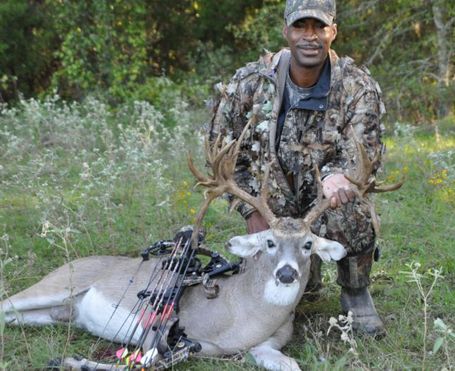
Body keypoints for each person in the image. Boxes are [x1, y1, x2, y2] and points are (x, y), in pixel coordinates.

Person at [208, 0, 386, 336]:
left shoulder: (356, 86)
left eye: (319, 27)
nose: (310, 37)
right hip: (273, 200)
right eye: (300, 27)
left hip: (326, 199)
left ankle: (355, 290)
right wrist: (250, 211)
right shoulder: (248, 83)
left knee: (351, 206)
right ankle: (305, 275)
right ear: (286, 31)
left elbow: (367, 150)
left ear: (333, 32)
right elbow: (223, 154)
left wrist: (339, 174)